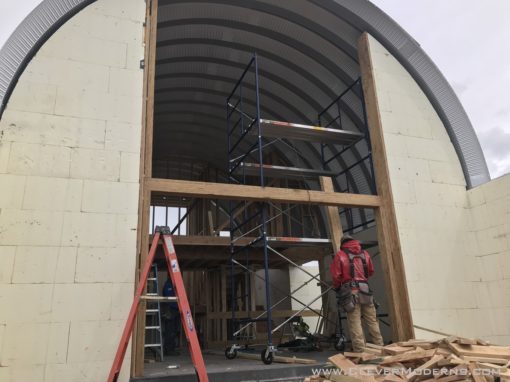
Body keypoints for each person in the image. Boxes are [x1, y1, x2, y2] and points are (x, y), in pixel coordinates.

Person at [330, 235, 383, 352]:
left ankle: (360, 351)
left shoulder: (340, 255)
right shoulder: (365, 253)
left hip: (351, 292)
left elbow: (336, 276)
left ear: (342, 244)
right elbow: (370, 271)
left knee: (355, 321)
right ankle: (380, 347)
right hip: (366, 289)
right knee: (372, 320)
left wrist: (338, 288)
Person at [162, 276, 181, 355]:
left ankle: (171, 348)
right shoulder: (168, 285)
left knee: (174, 330)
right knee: (170, 330)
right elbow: (169, 298)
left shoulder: (174, 285)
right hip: (170, 310)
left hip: (175, 310)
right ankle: (168, 350)